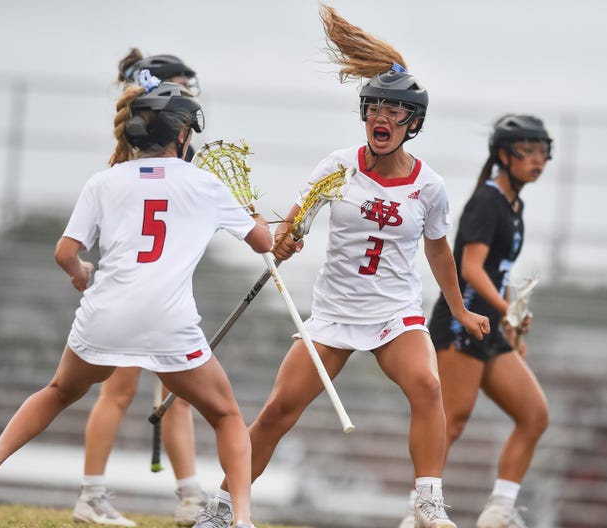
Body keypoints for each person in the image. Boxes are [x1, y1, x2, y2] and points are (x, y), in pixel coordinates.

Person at [192, 5, 490, 528]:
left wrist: (461, 311)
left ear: (413, 123)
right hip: (333, 314)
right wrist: (284, 243)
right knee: (279, 410)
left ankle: (427, 501)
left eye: (395, 111)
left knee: (428, 385)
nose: (382, 117)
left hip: (395, 313)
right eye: (374, 107)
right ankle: (221, 507)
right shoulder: (338, 166)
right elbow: (291, 228)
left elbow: (439, 251)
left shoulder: (430, 186)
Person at [0, 76, 271, 528]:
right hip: (168, 322)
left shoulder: (104, 181)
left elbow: (66, 253)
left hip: (106, 316)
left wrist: (81, 273)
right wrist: (254, 214)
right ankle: (241, 521)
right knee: (225, 415)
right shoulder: (206, 185)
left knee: (59, 391)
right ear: (181, 135)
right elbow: (263, 242)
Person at [71, 48, 210, 528]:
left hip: (166, 294)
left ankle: (190, 495)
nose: (189, 99)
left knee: (177, 393)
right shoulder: (130, 158)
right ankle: (92, 493)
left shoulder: (178, 151)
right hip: (132, 295)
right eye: (181, 90)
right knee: (120, 389)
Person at [399, 115, 552, 528]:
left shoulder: (512, 204)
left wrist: (509, 320)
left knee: (534, 414)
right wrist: (509, 312)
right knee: (452, 420)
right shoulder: (488, 201)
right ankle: (418, 513)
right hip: (461, 324)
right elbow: (471, 269)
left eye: (543, 151)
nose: (538, 159)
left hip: (491, 327)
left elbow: (495, 276)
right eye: (528, 150)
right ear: (503, 155)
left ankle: (498, 511)